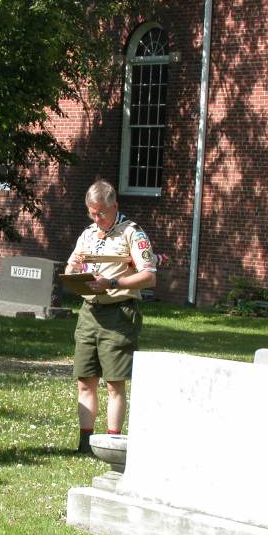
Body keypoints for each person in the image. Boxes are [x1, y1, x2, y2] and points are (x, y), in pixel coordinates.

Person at [65, 179, 157, 453]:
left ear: (114, 206)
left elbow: (149, 277)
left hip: (119, 314)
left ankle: (112, 443)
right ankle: (85, 444)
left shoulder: (133, 233)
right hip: (89, 313)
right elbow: (73, 264)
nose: (96, 218)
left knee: (114, 383)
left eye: (101, 213)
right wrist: (73, 276)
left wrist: (113, 283)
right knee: (85, 380)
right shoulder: (88, 234)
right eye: (92, 213)